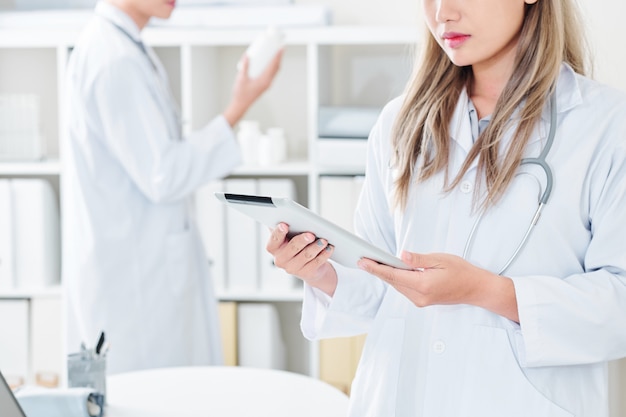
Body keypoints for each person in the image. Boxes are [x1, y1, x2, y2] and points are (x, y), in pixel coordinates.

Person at [266, 0, 626, 415]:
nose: (442, 13)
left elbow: (618, 303)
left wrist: (488, 291)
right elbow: (381, 281)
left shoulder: (606, 126)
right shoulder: (399, 122)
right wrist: (321, 272)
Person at [63, 0, 282, 374]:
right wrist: (238, 106)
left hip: (140, 267)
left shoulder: (123, 47)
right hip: (134, 283)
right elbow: (163, 175)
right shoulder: (114, 60)